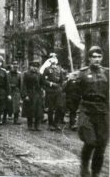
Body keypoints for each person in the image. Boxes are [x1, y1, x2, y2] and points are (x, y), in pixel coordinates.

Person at [68, 46, 108, 177]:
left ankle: (95, 173)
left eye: (99, 57)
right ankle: (84, 166)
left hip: (103, 111)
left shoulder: (107, 73)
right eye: (94, 57)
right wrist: (70, 82)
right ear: (89, 58)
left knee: (101, 145)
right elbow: (71, 92)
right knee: (90, 141)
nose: (97, 59)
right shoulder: (82, 73)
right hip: (87, 109)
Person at [42, 53, 64, 131]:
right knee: (50, 108)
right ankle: (50, 124)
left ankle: (56, 123)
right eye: (52, 57)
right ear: (50, 60)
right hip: (50, 91)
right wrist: (50, 84)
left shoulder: (59, 69)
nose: (54, 59)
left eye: (55, 57)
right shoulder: (47, 69)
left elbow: (62, 80)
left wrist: (60, 87)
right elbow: (43, 80)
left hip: (58, 91)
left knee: (59, 107)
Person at [22, 60, 44, 131]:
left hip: (37, 94)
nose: (35, 68)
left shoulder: (39, 75)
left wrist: (43, 90)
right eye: (33, 66)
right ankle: (30, 125)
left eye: (36, 67)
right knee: (30, 110)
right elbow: (24, 85)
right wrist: (25, 95)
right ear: (30, 67)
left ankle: (37, 126)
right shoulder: (26, 74)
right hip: (30, 93)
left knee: (38, 110)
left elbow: (42, 84)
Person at [4, 60, 22, 125]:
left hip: (16, 90)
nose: (15, 65)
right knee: (6, 105)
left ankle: (16, 119)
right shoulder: (7, 73)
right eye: (14, 64)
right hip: (8, 90)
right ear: (11, 65)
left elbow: (20, 84)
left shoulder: (19, 74)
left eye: (17, 64)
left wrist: (20, 93)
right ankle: (4, 119)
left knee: (16, 105)